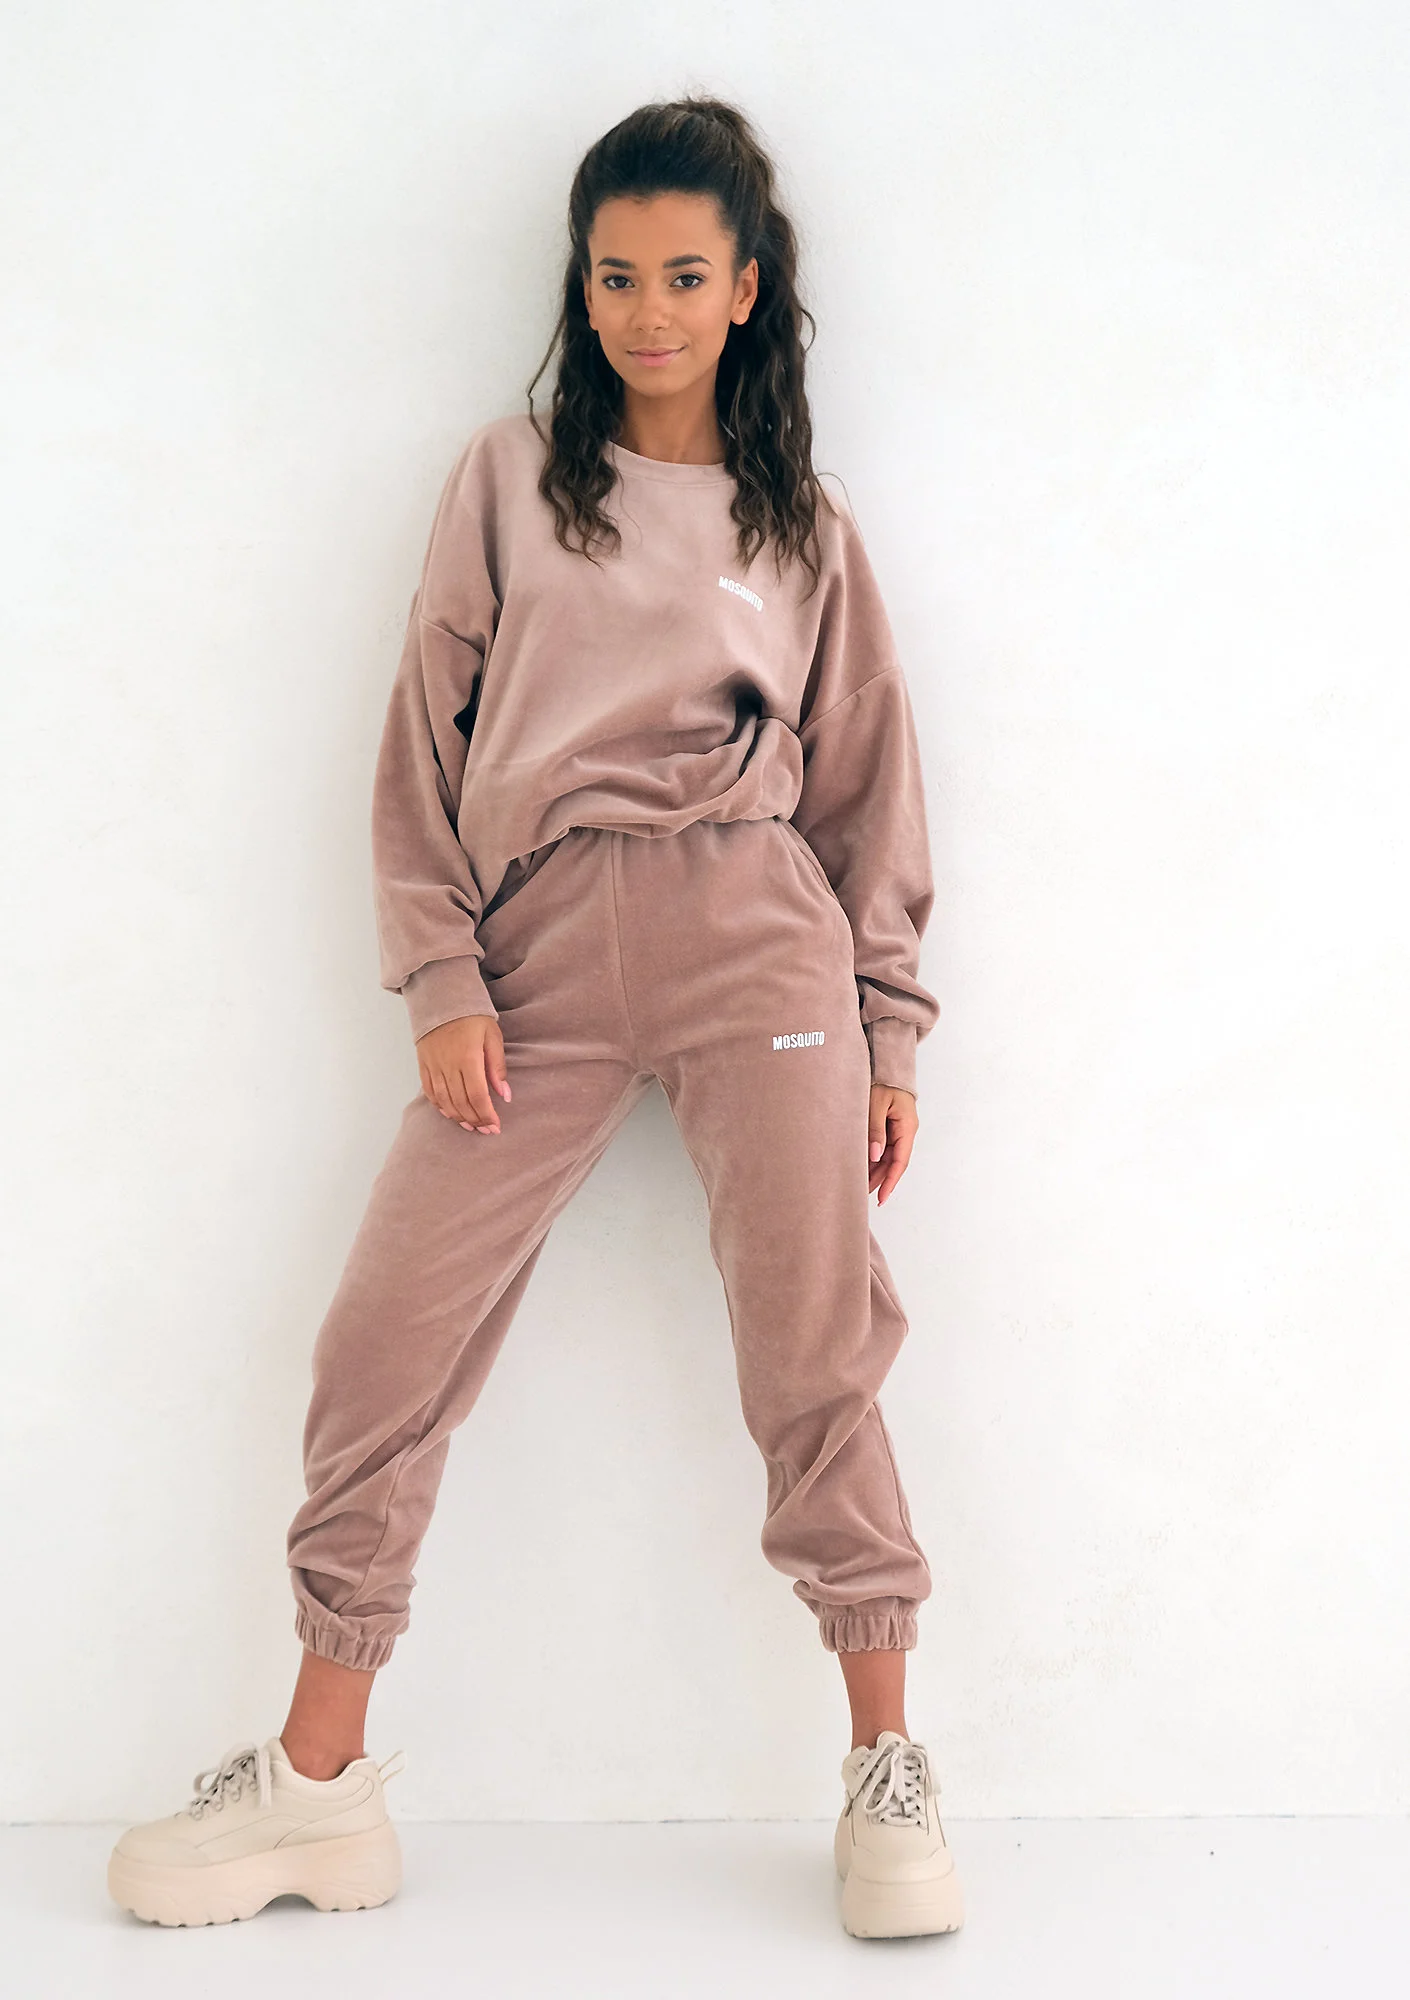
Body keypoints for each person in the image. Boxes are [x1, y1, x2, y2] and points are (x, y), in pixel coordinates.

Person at [107, 94, 963, 1943]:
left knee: (814, 1356)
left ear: (746, 290)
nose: (647, 310)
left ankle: (888, 1767)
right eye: (615, 276)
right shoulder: (505, 479)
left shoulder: (802, 526)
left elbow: (867, 786)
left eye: (683, 276)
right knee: (383, 1344)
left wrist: (887, 1031)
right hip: (538, 960)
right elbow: (419, 745)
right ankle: (319, 1785)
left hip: (762, 948)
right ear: (581, 290)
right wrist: (439, 973)